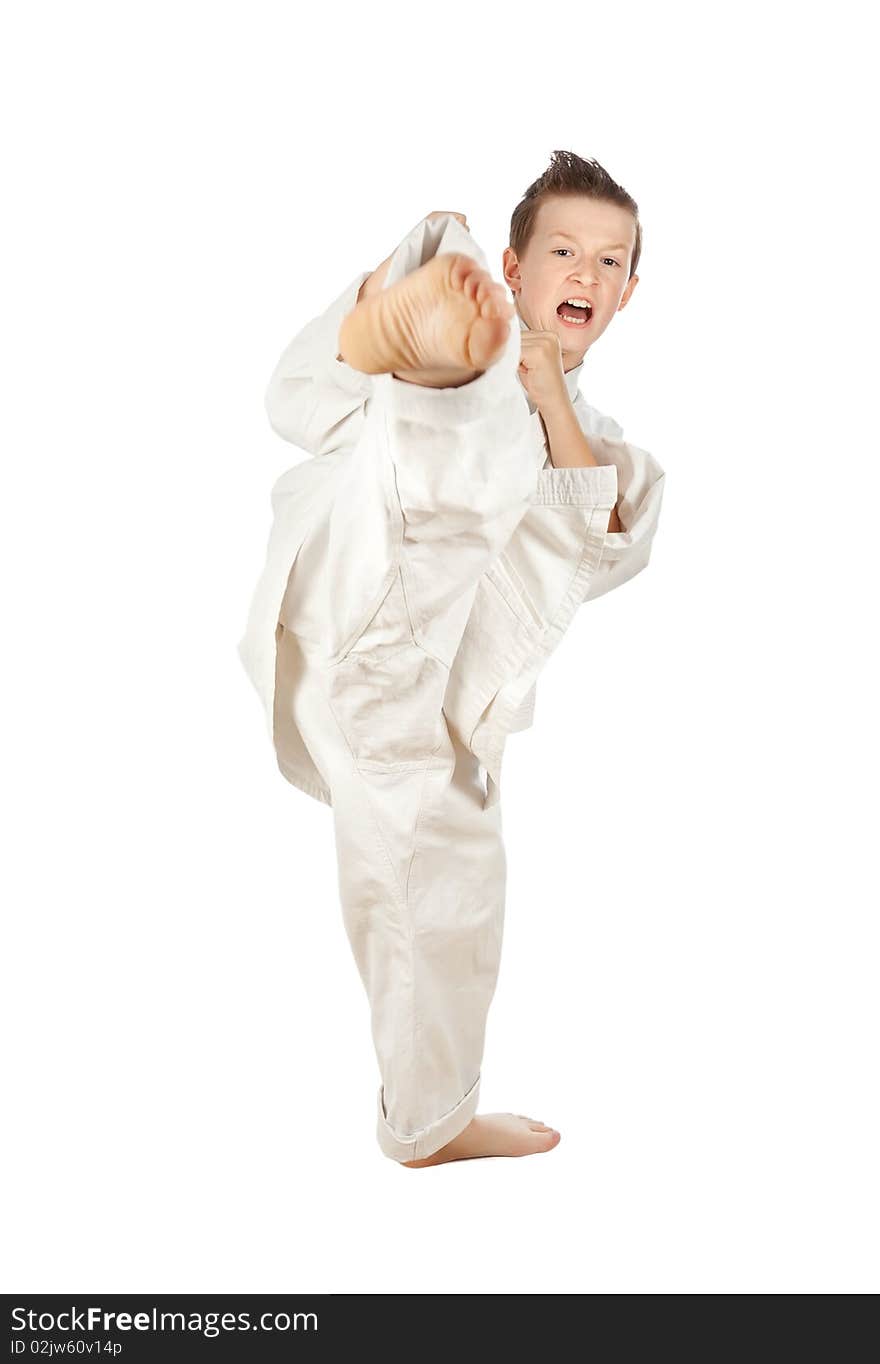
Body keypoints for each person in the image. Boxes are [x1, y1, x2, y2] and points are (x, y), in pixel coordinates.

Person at [238, 151, 666, 1167]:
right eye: (562, 250)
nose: (585, 274)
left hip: (402, 665)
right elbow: (295, 407)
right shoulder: (483, 310)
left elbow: (605, 539)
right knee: (439, 904)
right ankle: (427, 1127)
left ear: (627, 293)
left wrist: (543, 388)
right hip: (367, 596)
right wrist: (471, 343)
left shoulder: (586, 427)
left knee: (583, 467)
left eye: (609, 262)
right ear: (517, 268)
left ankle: (429, 366)